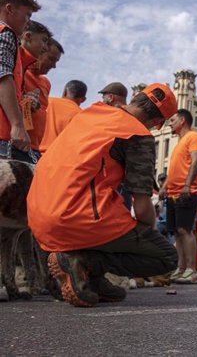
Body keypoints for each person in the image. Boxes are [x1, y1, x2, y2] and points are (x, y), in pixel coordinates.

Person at [26, 83, 179, 307]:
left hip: (37, 213)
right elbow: (142, 204)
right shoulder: (137, 134)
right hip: (74, 215)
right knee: (166, 256)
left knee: (110, 218)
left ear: (135, 99)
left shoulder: (91, 113)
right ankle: (85, 264)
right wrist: (145, 235)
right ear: (158, 123)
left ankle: (89, 280)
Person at [160, 108, 197, 285]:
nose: (170, 123)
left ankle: (191, 271)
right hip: (173, 193)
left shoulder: (194, 137)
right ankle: (181, 268)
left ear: (182, 121)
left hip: (188, 192)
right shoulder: (179, 142)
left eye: (172, 120)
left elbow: (196, 161)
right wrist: (164, 186)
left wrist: (187, 185)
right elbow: (174, 170)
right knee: (177, 233)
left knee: (185, 230)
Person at [0, 0, 42, 162]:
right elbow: (2, 76)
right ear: (9, 9)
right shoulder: (5, 33)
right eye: (27, 15)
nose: (28, 22)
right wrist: (17, 125)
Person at [24, 36, 63, 158]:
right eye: (51, 59)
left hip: (35, 148)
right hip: (15, 142)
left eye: (56, 62)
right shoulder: (19, 71)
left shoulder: (46, 83)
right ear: (39, 52)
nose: (54, 66)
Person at [39, 80, 87, 153]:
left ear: (64, 92)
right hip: (59, 159)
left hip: (34, 154)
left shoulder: (47, 102)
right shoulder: (83, 116)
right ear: (83, 100)